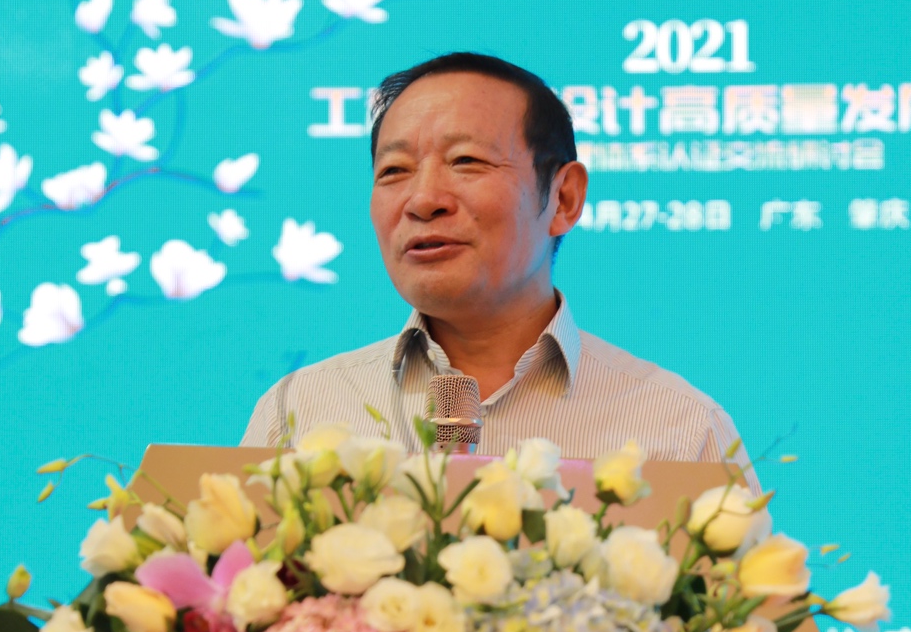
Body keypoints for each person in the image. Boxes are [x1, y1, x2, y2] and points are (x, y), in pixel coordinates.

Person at [241, 52, 757, 484]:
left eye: (466, 161)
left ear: (564, 198)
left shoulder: (680, 431)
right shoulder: (299, 414)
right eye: (394, 170)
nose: (423, 200)